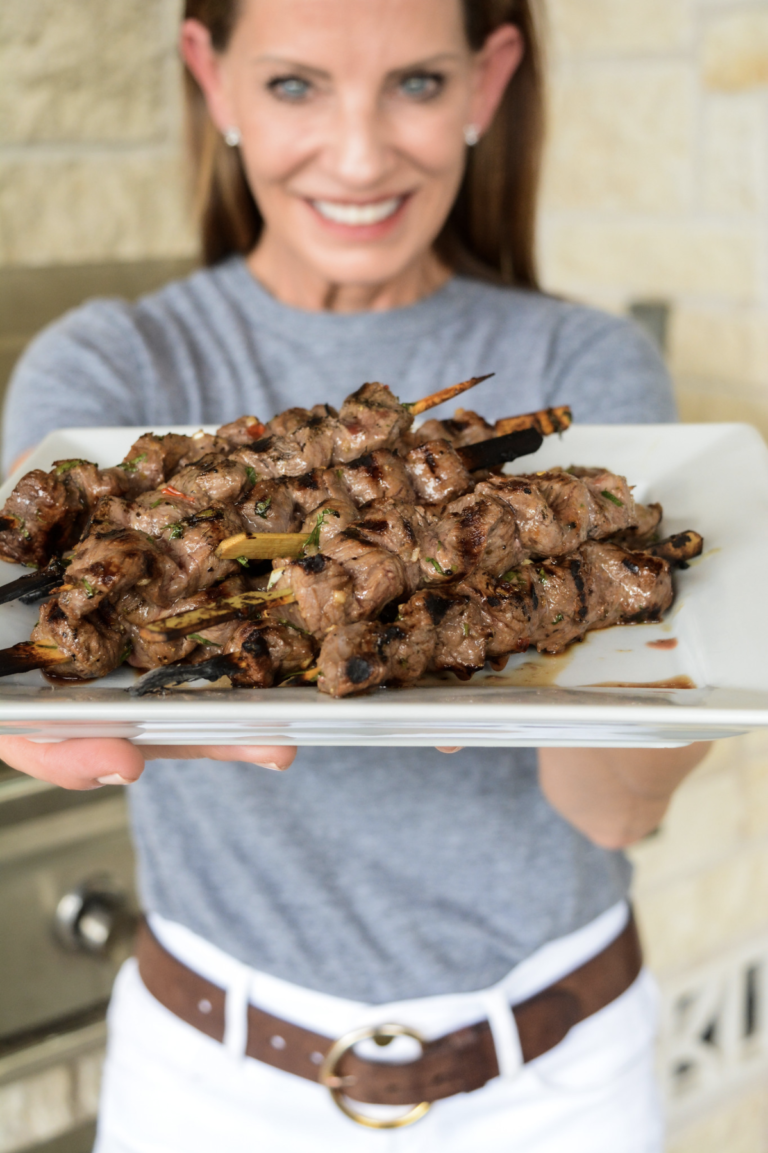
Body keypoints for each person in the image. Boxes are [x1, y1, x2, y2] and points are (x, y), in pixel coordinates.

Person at [1, 1, 710, 1149]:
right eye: (295, 86)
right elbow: (58, 653)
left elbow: (611, 813)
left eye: (417, 85)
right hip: (208, 1084)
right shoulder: (109, 366)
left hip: (556, 1080)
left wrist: (667, 683)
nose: (360, 152)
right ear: (211, 78)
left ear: (489, 82)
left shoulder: (588, 362)